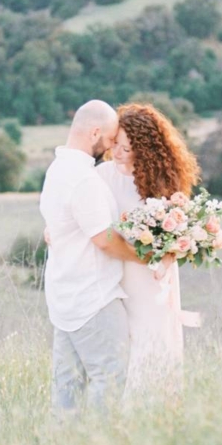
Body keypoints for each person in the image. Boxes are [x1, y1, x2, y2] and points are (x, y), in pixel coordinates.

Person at [38, 100, 143, 413]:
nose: (111, 148)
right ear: (95, 132)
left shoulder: (57, 170)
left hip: (64, 296)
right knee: (110, 379)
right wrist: (145, 257)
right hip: (93, 298)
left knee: (67, 387)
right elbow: (104, 240)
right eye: (110, 139)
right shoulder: (83, 179)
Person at [96, 103, 201, 392]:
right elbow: (84, 215)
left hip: (153, 275)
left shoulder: (162, 180)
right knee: (125, 341)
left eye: (127, 148)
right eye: (116, 144)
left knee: (155, 335)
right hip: (119, 268)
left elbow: (177, 231)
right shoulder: (103, 176)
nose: (118, 153)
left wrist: (168, 254)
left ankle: (157, 404)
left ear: (146, 148)